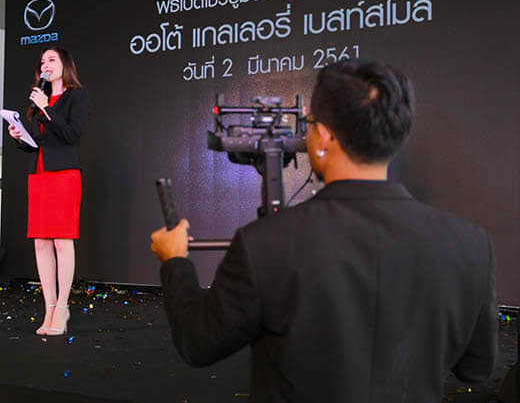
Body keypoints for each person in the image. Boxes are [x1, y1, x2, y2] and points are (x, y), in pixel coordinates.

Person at [151, 60, 497, 402]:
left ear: (324, 137)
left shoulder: (265, 242)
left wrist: (175, 262)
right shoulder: (471, 245)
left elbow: (199, 342)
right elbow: (476, 368)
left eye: (310, 124)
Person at [8, 46, 90, 336]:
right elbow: (37, 142)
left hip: (64, 175)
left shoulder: (76, 95)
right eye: (43, 61)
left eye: (52, 59)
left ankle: (63, 307)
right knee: (41, 243)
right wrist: (19, 136)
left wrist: (46, 108)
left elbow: (71, 135)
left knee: (62, 242)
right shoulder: (38, 98)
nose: (45, 64)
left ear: (65, 64)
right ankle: (49, 307)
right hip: (39, 175)